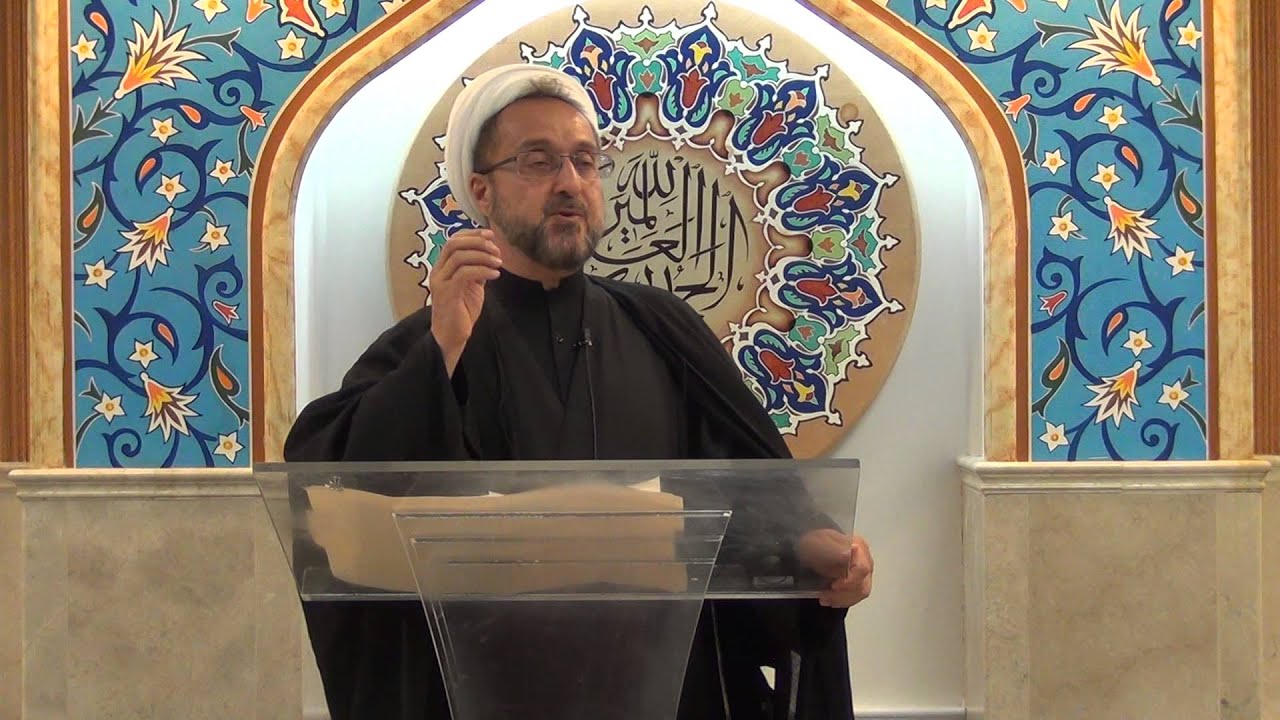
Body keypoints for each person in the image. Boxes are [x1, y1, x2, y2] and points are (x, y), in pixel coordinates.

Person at [285, 63, 873, 720]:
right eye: (538, 162)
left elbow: (747, 500)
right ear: (481, 190)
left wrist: (811, 548)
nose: (569, 182)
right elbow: (333, 490)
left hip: (666, 694)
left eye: (585, 161)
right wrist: (442, 349)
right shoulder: (431, 345)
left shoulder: (662, 331)